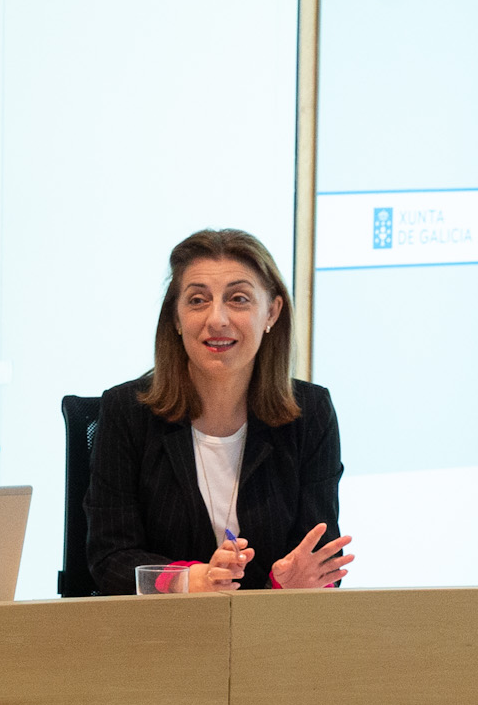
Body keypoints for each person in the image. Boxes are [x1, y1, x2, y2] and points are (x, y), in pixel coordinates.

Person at [87, 228, 353, 595]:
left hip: (269, 625)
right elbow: (109, 558)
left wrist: (287, 584)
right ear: (176, 317)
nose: (217, 319)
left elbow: (320, 558)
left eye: (239, 299)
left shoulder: (310, 413)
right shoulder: (126, 412)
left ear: (272, 312)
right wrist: (188, 581)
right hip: (161, 626)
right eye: (197, 300)